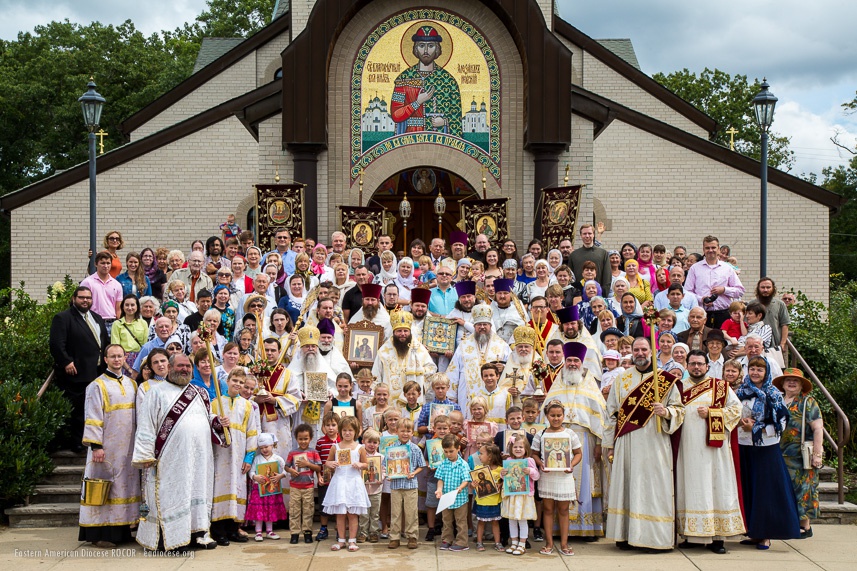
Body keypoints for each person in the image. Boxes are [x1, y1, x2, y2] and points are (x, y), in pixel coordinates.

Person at [132, 353, 227, 551]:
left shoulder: (200, 392)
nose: (184, 369)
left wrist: (217, 422)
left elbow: (206, 417)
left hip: (199, 456)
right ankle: (172, 540)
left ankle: (198, 534)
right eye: (180, 366)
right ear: (170, 367)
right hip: (169, 457)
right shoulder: (156, 392)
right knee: (172, 495)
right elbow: (146, 425)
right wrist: (145, 454)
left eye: (188, 366)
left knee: (197, 491)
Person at [605, 337, 684, 551]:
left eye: (644, 349)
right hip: (627, 441)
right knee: (627, 485)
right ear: (631, 352)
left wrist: (666, 412)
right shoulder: (622, 379)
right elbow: (611, 413)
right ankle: (625, 534)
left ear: (652, 351)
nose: (640, 353)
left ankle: (653, 538)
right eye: (636, 350)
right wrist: (609, 444)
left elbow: (680, 409)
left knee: (653, 487)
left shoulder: (664, 380)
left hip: (655, 441)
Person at [674, 350, 745, 554]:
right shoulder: (679, 388)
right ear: (687, 366)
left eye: (700, 364)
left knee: (716, 487)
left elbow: (736, 410)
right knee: (690, 488)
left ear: (707, 366)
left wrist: (713, 413)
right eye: (693, 364)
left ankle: (717, 538)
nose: (696, 367)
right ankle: (692, 535)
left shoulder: (720, 387)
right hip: (687, 449)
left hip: (714, 451)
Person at [541, 341, 608, 540]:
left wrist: (599, 444)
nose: (572, 363)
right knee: (559, 480)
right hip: (557, 439)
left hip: (584, 440)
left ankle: (586, 528)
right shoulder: (557, 385)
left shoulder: (590, 386)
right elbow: (545, 414)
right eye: (569, 360)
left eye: (576, 360)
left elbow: (600, 417)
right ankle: (559, 529)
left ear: (582, 362)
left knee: (585, 482)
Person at [735, 357, 802, 548]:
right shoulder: (740, 392)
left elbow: (781, 424)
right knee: (749, 489)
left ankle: (766, 535)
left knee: (766, 492)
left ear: (766, 373)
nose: (755, 373)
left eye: (760, 370)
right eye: (752, 369)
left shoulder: (773, 395)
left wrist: (757, 428)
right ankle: (754, 532)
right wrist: (740, 423)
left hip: (766, 448)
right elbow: (732, 414)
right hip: (744, 444)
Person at [79, 344, 139, 547]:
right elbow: (93, 415)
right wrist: (96, 445)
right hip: (106, 448)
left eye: (120, 356)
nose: (116, 360)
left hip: (128, 448)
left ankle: (122, 531)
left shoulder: (132, 384)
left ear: (125, 358)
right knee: (106, 488)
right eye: (112, 356)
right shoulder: (97, 385)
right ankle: (101, 534)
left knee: (125, 488)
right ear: (105, 359)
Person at [50, 286, 109, 450]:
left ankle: (92, 439)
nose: (85, 300)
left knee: (94, 408)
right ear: (74, 298)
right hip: (76, 372)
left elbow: (103, 342)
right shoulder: (63, 318)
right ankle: (77, 443)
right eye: (82, 297)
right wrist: (66, 362)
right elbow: (56, 344)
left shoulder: (97, 318)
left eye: (88, 298)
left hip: (96, 371)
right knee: (78, 409)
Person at [210, 368, 258, 546]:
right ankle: (218, 531)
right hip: (220, 455)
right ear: (227, 381)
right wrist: (217, 422)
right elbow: (209, 425)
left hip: (239, 455)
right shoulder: (216, 403)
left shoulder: (247, 405)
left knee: (237, 490)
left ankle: (233, 529)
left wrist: (249, 457)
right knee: (220, 490)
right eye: (235, 381)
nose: (237, 384)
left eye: (241, 382)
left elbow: (252, 431)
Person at [775, 368, 824, 538]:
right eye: (788, 380)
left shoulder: (808, 402)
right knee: (785, 489)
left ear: (802, 385)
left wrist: (817, 454)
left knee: (804, 489)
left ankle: (805, 526)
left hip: (801, 455)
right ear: (782, 384)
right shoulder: (779, 400)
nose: (791, 383)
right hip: (779, 453)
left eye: (795, 380)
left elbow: (818, 428)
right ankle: (788, 523)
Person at [324, 416, 372, 552]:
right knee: (340, 513)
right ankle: (341, 540)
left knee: (352, 513)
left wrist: (360, 465)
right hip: (339, 482)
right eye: (344, 430)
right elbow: (327, 462)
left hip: (353, 482)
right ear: (340, 431)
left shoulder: (360, 448)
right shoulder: (335, 447)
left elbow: (366, 464)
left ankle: (352, 540)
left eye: (350, 430)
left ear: (356, 431)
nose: (347, 433)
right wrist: (331, 464)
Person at [371, 310, 436, 405]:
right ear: (393, 332)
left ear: (410, 331)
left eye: (405, 331)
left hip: (413, 400)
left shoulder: (418, 348)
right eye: (399, 331)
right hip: (390, 402)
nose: (403, 334)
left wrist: (418, 371)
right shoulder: (384, 351)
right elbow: (376, 375)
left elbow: (431, 368)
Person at [383, 418, 426, 550]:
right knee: (395, 512)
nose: (405, 434)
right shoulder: (391, 448)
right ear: (397, 431)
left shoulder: (415, 449)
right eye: (402, 431)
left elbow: (421, 465)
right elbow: (386, 466)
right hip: (396, 485)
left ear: (412, 433)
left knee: (411, 512)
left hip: (411, 485)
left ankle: (412, 536)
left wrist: (414, 473)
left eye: (408, 431)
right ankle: (394, 537)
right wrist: (389, 475)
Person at [684, 235, 745, 328]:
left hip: (723, 314)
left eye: (713, 247)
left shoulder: (727, 268)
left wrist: (724, 290)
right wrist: (701, 299)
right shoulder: (694, 268)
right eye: (707, 248)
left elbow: (740, 291)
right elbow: (687, 292)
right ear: (703, 249)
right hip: (701, 315)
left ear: (718, 249)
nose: (710, 250)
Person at [501, 434, 540, 555]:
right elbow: (505, 479)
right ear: (511, 449)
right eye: (515, 447)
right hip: (512, 495)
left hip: (524, 496)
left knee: (522, 520)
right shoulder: (508, 461)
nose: (518, 449)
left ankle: (522, 544)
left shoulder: (529, 461)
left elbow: (537, 476)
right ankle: (514, 542)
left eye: (521, 447)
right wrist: (503, 474)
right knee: (512, 520)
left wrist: (530, 471)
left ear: (526, 448)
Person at [434, 433, 473, 552]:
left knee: (461, 521)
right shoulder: (443, 464)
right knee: (446, 520)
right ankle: (447, 539)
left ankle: (462, 542)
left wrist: (460, 488)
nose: (448, 454)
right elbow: (440, 479)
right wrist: (439, 489)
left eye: (451, 451)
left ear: (458, 448)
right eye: (446, 452)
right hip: (446, 498)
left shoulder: (463, 464)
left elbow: (466, 479)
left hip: (460, 499)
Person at [246, 432, 287, 541]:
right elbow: (251, 471)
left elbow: (287, 469)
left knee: (270, 509)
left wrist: (280, 476)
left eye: (266, 447)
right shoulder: (257, 459)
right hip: (259, 489)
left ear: (272, 445)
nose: (264, 449)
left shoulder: (277, 458)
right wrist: (255, 477)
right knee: (259, 510)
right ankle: (258, 532)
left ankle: (269, 531)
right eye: (261, 448)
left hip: (272, 490)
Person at [285, 424, 323, 544]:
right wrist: (291, 470)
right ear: (296, 438)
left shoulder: (313, 452)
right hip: (295, 487)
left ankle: (307, 532)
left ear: (310, 438)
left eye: (305, 438)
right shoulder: (292, 452)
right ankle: (294, 533)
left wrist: (308, 464)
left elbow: (318, 467)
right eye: (300, 439)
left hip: (308, 487)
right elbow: (286, 466)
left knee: (308, 510)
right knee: (294, 510)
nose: (303, 441)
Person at [471, 444, 504, 552]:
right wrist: (473, 485)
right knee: (481, 522)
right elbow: (473, 485)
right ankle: (479, 542)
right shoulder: (478, 469)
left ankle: (497, 543)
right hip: (482, 502)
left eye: (481, 453)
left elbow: (505, 483)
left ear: (490, 456)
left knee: (495, 522)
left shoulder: (500, 470)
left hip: (495, 502)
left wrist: (501, 484)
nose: (479, 456)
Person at [358, 428, 385, 543]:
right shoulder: (359, 455)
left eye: (375, 442)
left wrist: (381, 478)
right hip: (363, 489)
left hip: (376, 490)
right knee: (364, 513)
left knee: (375, 513)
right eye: (369, 442)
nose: (372, 445)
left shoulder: (381, 457)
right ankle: (363, 532)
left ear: (378, 444)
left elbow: (384, 470)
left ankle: (373, 532)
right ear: (363, 441)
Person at [111, 294, 148, 376]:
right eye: (127, 305)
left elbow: (145, 346)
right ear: (123, 307)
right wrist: (128, 368)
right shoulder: (117, 324)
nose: (130, 308)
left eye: (132, 305)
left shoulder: (143, 323)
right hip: (122, 360)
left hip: (140, 359)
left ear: (137, 307)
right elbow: (115, 347)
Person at [82, 251, 123, 322]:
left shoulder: (117, 285)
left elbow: (118, 309)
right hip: (93, 321)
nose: (106, 266)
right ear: (96, 264)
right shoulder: (87, 282)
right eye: (102, 263)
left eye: (108, 263)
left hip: (111, 322)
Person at [570, 224, 611, 293]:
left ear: (593, 235)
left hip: (598, 294)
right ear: (581, 235)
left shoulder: (603, 253)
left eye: (589, 233)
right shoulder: (574, 255)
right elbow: (571, 277)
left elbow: (607, 276)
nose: (587, 236)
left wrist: (604, 293)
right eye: (584, 234)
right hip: (578, 294)